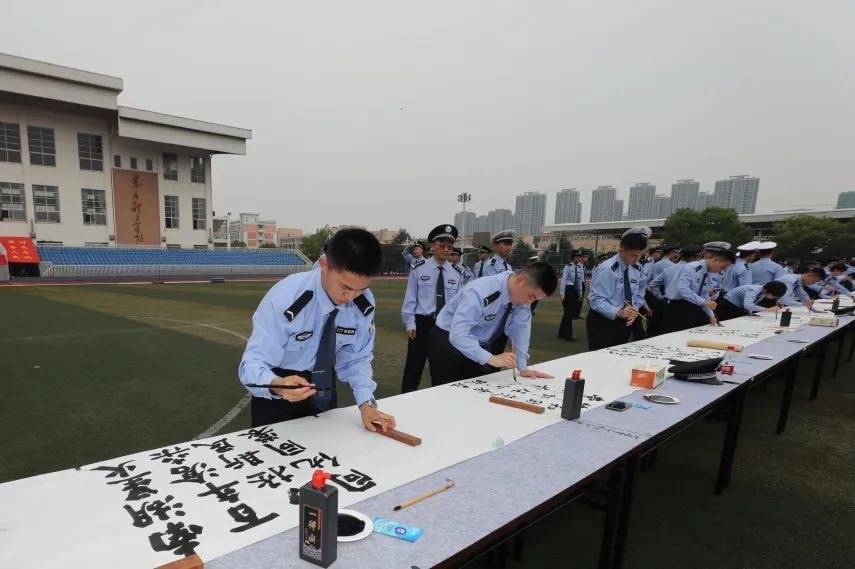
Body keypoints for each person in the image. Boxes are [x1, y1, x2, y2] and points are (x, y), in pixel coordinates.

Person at [239, 228, 396, 431]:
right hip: (279, 391)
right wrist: (276, 383)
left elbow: (357, 359)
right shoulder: (286, 297)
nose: (350, 298)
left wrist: (367, 404)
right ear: (324, 265)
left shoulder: (363, 304)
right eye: (346, 287)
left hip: (324, 392)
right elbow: (252, 363)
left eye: (361, 289)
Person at [427, 263, 558, 384]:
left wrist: (522, 367)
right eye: (531, 296)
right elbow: (458, 334)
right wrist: (491, 359)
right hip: (448, 341)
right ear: (519, 280)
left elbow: (521, 331)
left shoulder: (522, 300)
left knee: (475, 395)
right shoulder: (480, 290)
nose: (529, 303)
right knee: (447, 395)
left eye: (535, 300)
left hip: (479, 344)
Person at [400, 225, 463, 393]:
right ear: (433, 245)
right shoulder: (419, 268)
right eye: (442, 245)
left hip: (445, 327)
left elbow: (457, 304)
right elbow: (410, 297)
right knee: (413, 368)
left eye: (450, 246)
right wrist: (410, 323)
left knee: (442, 369)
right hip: (422, 325)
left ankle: (440, 403)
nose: (446, 249)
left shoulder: (457, 273)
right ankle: (405, 402)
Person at [586, 227, 653, 350]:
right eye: (633, 255)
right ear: (621, 249)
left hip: (624, 320)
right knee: (601, 359)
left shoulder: (637, 268)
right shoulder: (607, 269)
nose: (637, 259)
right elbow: (596, 300)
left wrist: (635, 309)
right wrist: (619, 312)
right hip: (603, 321)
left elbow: (639, 292)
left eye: (640, 255)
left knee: (618, 357)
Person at [665, 249, 735, 332]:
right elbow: (683, 289)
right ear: (716, 260)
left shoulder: (708, 273)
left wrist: (711, 316)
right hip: (679, 308)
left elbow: (704, 295)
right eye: (722, 267)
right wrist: (704, 302)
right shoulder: (692, 267)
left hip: (693, 307)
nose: (722, 270)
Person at [715, 281, 787, 321]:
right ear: (767, 290)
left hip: (736, 306)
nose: (774, 298)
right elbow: (748, 305)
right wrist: (768, 309)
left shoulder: (763, 292)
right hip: (728, 306)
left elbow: (751, 303)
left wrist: (750, 312)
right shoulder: (753, 290)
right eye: (774, 296)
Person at [557, 249, 584, 341]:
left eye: (579, 257)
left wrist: (580, 293)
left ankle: (561, 333)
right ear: (573, 257)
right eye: (577, 256)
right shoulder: (568, 267)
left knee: (568, 313)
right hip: (568, 290)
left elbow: (580, 282)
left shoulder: (580, 268)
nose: (578, 258)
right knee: (569, 313)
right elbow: (563, 280)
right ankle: (568, 335)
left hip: (575, 291)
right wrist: (562, 293)